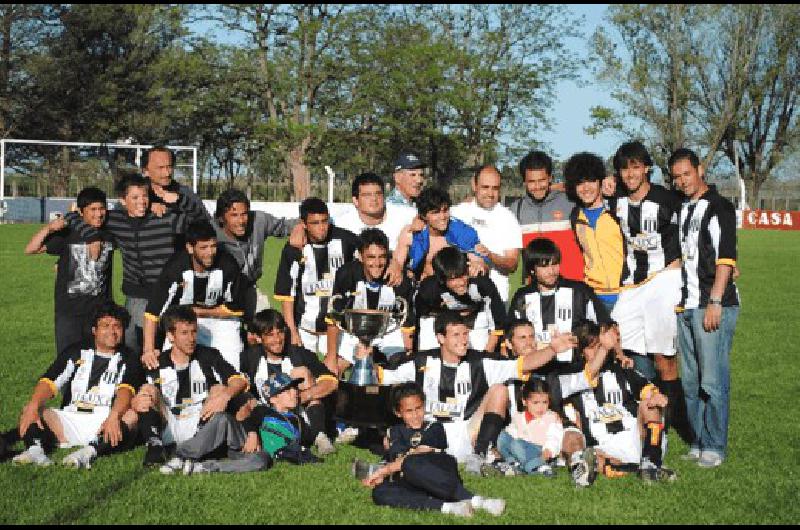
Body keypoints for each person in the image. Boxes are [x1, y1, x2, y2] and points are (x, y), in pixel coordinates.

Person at [374, 311, 573, 464]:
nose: (463, 340)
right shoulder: (421, 362)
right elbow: (381, 377)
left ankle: (479, 455)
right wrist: (365, 359)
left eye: (465, 334)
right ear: (441, 338)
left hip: (467, 431)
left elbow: (523, 364)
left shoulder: (480, 361)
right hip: (428, 431)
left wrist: (552, 349)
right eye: (456, 335)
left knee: (499, 391)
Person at [63, 173, 207, 353]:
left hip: (168, 295)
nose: (142, 202)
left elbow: (201, 220)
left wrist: (179, 199)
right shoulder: (114, 220)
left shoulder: (165, 218)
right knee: (130, 345)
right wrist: (91, 236)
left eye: (145, 196)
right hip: (137, 296)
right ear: (123, 200)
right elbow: (73, 216)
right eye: (135, 197)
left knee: (171, 347)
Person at [607, 141, 688, 437]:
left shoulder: (668, 201)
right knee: (615, 343)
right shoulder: (616, 200)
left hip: (664, 279)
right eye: (624, 168)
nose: (630, 174)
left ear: (647, 169)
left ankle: (674, 419)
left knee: (663, 355)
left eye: (636, 167)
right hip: (631, 285)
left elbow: (694, 230)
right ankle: (639, 406)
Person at [7, 302, 143, 469]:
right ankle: (36, 451)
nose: (112, 332)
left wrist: (114, 416)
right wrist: (34, 404)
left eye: (117, 326)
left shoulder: (130, 358)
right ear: (94, 330)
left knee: (131, 416)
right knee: (32, 407)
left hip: (103, 421)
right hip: (70, 419)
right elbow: (49, 382)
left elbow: (126, 391)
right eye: (105, 326)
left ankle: (88, 452)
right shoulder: (76, 351)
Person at [669, 147, 740, 468]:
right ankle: (698, 440)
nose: (683, 181)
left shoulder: (719, 207)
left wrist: (715, 300)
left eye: (687, 173)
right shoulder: (685, 208)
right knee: (691, 381)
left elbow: (727, 258)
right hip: (688, 307)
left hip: (713, 305)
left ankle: (715, 445)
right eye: (676, 177)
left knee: (712, 380)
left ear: (700, 169)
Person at [133, 305, 264, 473]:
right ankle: (155, 446)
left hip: (201, 427)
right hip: (170, 424)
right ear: (170, 336)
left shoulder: (209, 356)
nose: (191, 338)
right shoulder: (156, 362)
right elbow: (135, 396)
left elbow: (239, 381)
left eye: (194, 331)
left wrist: (224, 396)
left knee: (218, 390)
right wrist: (137, 400)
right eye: (184, 333)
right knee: (147, 390)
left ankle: (182, 458)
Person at [548, 320, 676, 483]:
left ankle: (650, 461)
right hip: (603, 447)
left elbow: (650, 391)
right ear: (580, 352)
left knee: (649, 405)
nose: (596, 353)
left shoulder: (622, 370)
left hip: (640, 440)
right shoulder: (571, 379)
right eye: (591, 348)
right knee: (582, 449)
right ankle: (639, 470)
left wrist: (657, 397)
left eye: (598, 347)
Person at [360, 383, 506, 518]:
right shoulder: (394, 432)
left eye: (419, 408)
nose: (416, 415)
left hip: (439, 472)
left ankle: (479, 501)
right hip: (412, 481)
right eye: (409, 411)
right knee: (380, 493)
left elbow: (413, 456)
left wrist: (386, 470)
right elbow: (396, 455)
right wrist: (382, 476)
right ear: (398, 413)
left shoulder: (434, 428)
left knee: (411, 464)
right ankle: (448, 507)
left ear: (424, 406)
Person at [141, 220, 246, 371]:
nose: (210, 252)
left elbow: (236, 309)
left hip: (223, 321)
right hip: (184, 322)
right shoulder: (175, 268)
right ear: (190, 248)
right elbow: (152, 312)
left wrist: (198, 311)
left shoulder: (228, 265)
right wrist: (148, 349)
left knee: (231, 369)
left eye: (213, 246)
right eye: (203, 247)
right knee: (172, 370)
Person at [24, 187, 114, 356]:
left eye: (101, 208)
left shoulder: (109, 233)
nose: (98, 214)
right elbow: (30, 249)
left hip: (101, 312)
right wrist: (49, 229)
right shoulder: (68, 233)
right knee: (67, 361)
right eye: (92, 210)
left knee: (99, 362)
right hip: (69, 312)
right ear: (81, 212)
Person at [239, 309, 339, 455]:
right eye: (270, 335)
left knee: (302, 373)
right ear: (259, 338)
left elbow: (331, 382)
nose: (278, 339)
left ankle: (320, 436)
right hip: (266, 415)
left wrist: (303, 396)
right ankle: (250, 437)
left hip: (300, 416)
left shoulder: (299, 354)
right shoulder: (249, 358)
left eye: (280, 332)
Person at [509, 238, 612, 371]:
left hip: (575, 371)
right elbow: (510, 337)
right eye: (544, 266)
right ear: (532, 269)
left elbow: (605, 326)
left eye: (555, 264)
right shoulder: (522, 297)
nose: (551, 271)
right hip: (536, 373)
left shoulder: (580, 291)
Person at [274, 198, 360, 355]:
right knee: (304, 373)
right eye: (315, 223)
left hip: (339, 326)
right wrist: (292, 331)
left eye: (324, 221)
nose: (322, 228)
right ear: (304, 223)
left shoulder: (346, 240)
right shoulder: (294, 249)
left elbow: (370, 256)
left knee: (335, 372)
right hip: (305, 327)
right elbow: (287, 294)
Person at [326, 228, 416, 374]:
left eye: (382, 257)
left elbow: (407, 320)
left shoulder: (399, 278)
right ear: (361, 257)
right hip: (354, 331)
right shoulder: (346, 274)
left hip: (387, 332)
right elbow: (333, 316)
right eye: (371, 257)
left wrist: (406, 356)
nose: (377, 263)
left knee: (403, 372)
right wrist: (331, 357)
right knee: (332, 371)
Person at [213, 188, 302, 320]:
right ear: (221, 217)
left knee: (269, 326)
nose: (241, 221)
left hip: (250, 288)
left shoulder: (258, 221)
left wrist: (307, 223)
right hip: (221, 294)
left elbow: (283, 226)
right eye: (234, 215)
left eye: (244, 214)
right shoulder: (211, 234)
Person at [451, 165, 523, 302]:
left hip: (495, 298)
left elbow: (512, 263)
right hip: (458, 298)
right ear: (474, 185)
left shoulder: (508, 218)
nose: (490, 193)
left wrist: (490, 256)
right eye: (485, 187)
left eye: (495, 188)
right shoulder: (456, 213)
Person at [564, 152, 625, 311]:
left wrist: (614, 179)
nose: (586, 188)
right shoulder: (576, 217)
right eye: (579, 183)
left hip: (625, 294)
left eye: (591, 181)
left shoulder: (617, 209)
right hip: (593, 297)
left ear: (601, 181)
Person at [415, 247, 506, 353]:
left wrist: (485, 355)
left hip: (476, 318)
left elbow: (498, 322)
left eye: (463, 275)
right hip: (441, 319)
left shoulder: (482, 283)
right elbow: (419, 316)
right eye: (453, 279)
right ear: (442, 279)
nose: (461, 283)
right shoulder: (429, 289)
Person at [511, 150, 583, 282]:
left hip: (573, 284)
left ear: (550, 178)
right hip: (537, 289)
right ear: (524, 182)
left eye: (542, 180)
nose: (537, 186)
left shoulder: (571, 202)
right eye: (531, 181)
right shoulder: (516, 209)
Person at [392, 186, 488, 280]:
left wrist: (478, 265)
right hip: (421, 289)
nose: (442, 217)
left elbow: (480, 261)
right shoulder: (411, 234)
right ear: (423, 215)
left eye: (445, 210)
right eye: (436, 212)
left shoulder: (461, 232)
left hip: (452, 289)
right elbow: (397, 263)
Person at [240, 373, 323, 465]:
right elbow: (249, 420)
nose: (295, 392)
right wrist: (252, 433)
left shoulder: (298, 420)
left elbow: (308, 439)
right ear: (273, 399)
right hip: (254, 450)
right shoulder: (263, 411)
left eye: (295, 388)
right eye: (288, 390)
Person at [333, 172, 417, 252]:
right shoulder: (341, 225)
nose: (374, 199)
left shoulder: (409, 217)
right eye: (367, 195)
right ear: (355, 200)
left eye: (378, 194)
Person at [496, 378, 563, 477]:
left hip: (541, 452)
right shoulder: (519, 417)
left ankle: (540, 466)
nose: (540, 407)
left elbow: (554, 437)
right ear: (524, 402)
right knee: (502, 437)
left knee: (517, 444)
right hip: (520, 449)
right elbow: (511, 433)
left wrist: (548, 451)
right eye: (535, 403)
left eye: (545, 402)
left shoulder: (551, 417)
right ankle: (514, 464)